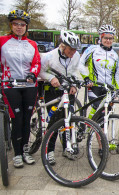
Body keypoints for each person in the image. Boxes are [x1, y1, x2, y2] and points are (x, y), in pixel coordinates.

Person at [0, 10, 41, 168]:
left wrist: (33, 73)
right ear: (11, 25)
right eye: (16, 24)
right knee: (16, 119)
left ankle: (25, 151)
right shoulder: (3, 41)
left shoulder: (32, 44)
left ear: (26, 27)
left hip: (29, 85)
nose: (19, 27)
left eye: (22, 24)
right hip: (10, 85)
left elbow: (36, 62)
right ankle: (17, 153)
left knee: (26, 119)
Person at [40, 30, 87, 165]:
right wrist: (51, 78)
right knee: (54, 121)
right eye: (70, 50)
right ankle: (49, 151)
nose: (73, 53)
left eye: (75, 50)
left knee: (68, 119)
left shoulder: (76, 55)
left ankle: (68, 147)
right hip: (52, 90)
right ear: (62, 46)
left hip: (68, 90)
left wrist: (74, 85)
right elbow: (41, 71)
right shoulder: (49, 56)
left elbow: (73, 71)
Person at [80, 24, 119, 119]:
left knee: (106, 114)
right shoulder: (92, 49)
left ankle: (100, 133)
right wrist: (86, 78)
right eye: (105, 38)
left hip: (109, 88)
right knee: (97, 109)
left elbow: (117, 73)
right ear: (101, 37)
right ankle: (88, 129)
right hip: (94, 86)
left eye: (110, 38)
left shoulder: (114, 55)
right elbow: (80, 63)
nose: (108, 40)